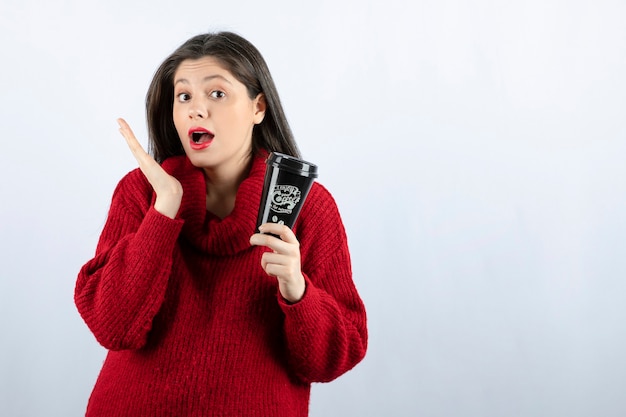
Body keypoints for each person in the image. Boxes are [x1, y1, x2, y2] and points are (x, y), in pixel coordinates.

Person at [74, 31, 367, 416]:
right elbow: (112, 326)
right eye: (184, 96)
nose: (197, 109)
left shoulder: (307, 206)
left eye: (217, 93)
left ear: (258, 107)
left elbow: (332, 360)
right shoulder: (141, 193)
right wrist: (164, 212)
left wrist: (298, 291)